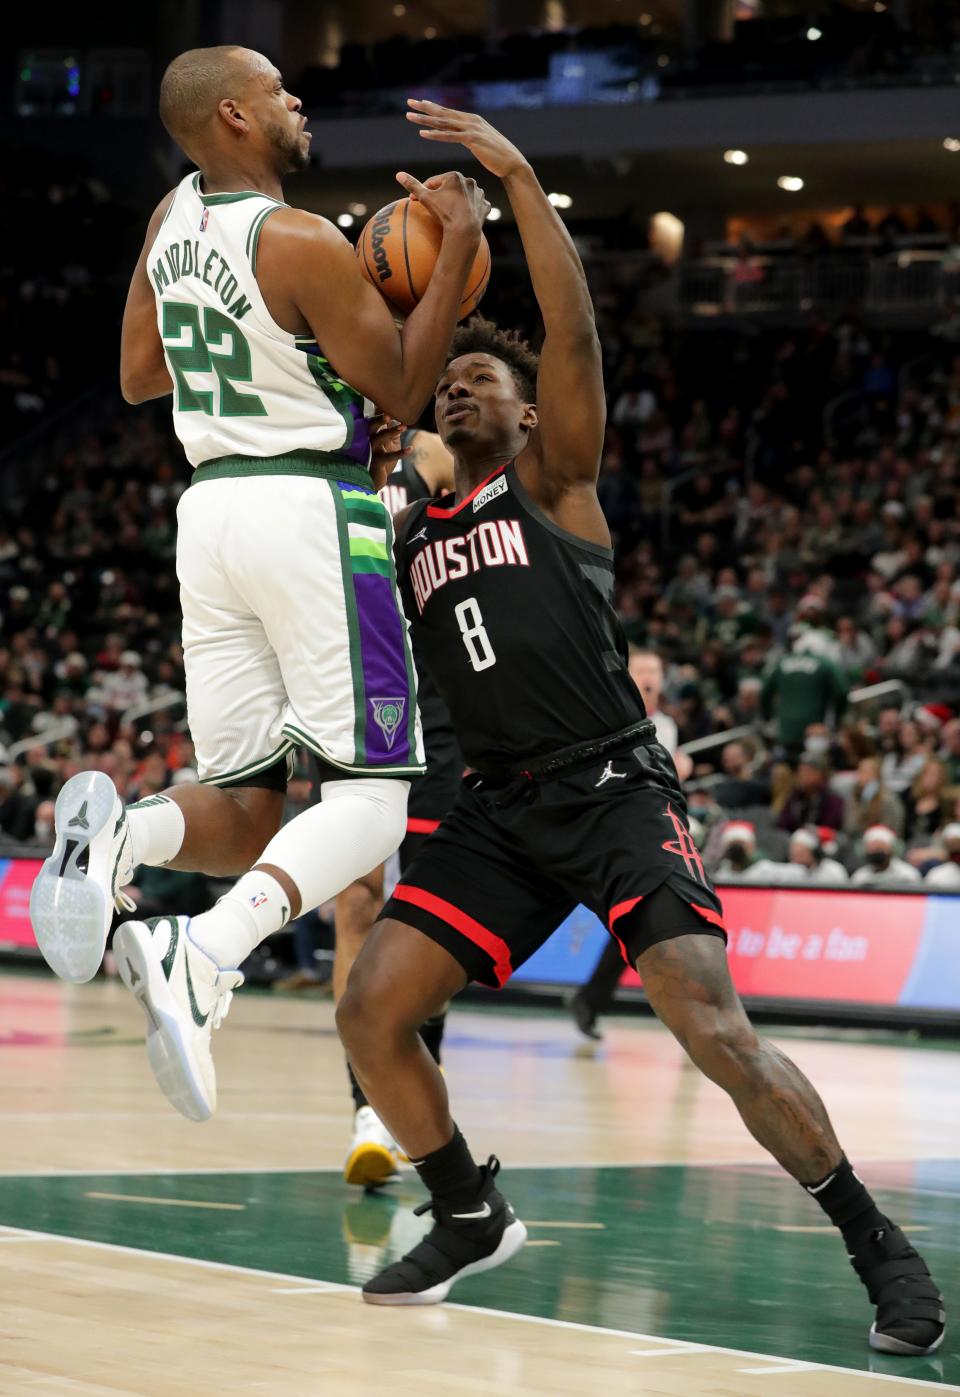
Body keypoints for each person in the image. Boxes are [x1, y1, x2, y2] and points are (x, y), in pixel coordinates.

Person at [333, 102, 944, 1355]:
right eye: (445, 383)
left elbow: (577, 331)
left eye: (479, 381)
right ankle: (467, 1205)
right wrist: (429, 275)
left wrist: (511, 182)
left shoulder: (558, 482)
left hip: (613, 788)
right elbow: (386, 385)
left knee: (712, 1029)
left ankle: (874, 1239)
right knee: (369, 1009)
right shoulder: (407, 525)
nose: (455, 391)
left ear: (528, 414)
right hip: (499, 806)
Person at [29, 46, 489, 1124]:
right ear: (234, 114)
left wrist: (281, 349)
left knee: (244, 808)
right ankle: (205, 953)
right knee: (374, 805)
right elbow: (407, 386)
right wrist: (460, 240)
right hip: (311, 511)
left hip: (211, 511)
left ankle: (125, 839)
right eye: (279, 91)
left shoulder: (171, 220)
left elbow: (143, 376)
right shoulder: (300, 240)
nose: (296, 103)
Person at [336, 429, 464, 1187]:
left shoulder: (433, 450)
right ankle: (366, 1109)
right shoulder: (314, 442)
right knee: (356, 904)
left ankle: (420, 1088)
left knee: (430, 914)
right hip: (347, 692)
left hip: (435, 703)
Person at [570, 646, 692, 1040]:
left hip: (652, 833)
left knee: (649, 919)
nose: (649, 677)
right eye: (641, 669)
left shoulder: (668, 727)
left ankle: (594, 999)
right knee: (639, 922)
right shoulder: (606, 712)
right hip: (606, 827)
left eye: (655, 670)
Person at [776, 751, 845, 833]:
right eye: (800, 771)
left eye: (807, 771)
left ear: (820, 774)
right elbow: (783, 824)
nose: (802, 775)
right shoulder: (795, 796)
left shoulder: (832, 800)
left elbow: (829, 829)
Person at [850, 826, 922, 887]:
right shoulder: (860, 876)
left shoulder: (907, 875)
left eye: (880, 848)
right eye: (873, 849)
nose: (876, 852)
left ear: (892, 849)